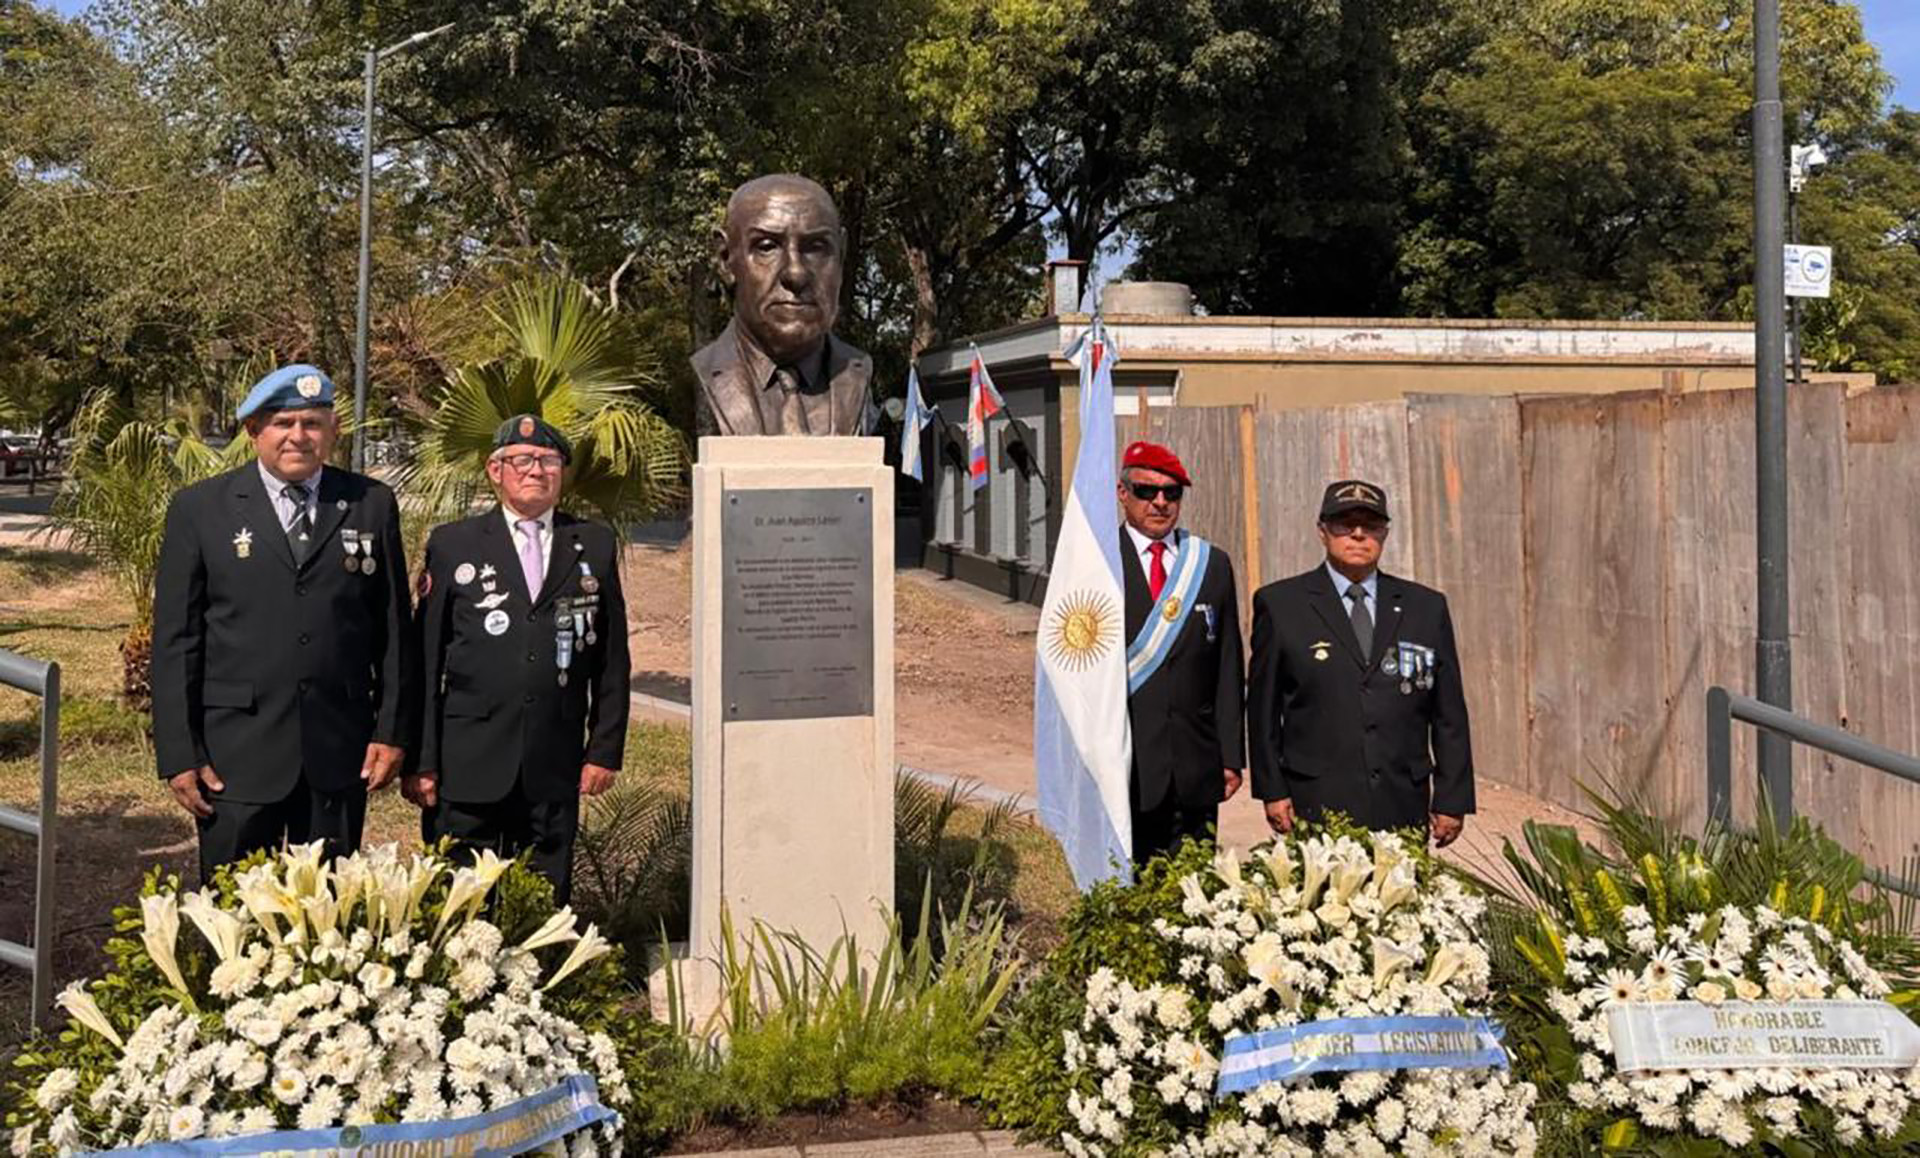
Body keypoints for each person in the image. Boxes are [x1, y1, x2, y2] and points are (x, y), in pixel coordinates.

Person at [151, 364, 414, 881]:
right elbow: (177, 641)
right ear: (254, 432)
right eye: (283, 422)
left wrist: (391, 731)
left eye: (313, 423)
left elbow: (393, 631)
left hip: (338, 749)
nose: (299, 436)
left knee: (328, 923)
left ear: (333, 430)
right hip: (236, 755)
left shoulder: (370, 504)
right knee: (233, 913)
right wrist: (180, 753)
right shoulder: (201, 509)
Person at [405, 414, 630, 902]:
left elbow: (612, 658)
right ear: (495, 470)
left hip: (553, 757)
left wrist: (604, 748)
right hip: (467, 759)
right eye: (521, 460)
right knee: (459, 901)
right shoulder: (454, 544)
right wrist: (421, 760)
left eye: (549, 461)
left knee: (545, 899)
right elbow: (424, 661)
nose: (535, 470)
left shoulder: (592, 543)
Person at [1247, 479, 1474, 846]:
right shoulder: (1281, 605)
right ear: (1323, 531)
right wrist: (1272, 789)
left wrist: (1452, 797)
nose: (1357, 535)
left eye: (1369, 525)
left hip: (1402, 798)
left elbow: (1448, 713)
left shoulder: (1426, 608)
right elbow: (1262, 712)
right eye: (1344, 524)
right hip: (1317, 798)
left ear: (1384, 533)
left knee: (1404, 901)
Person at [1116, 440, 1245, 865]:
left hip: (1195, 765)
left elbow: (1227, 665)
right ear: (1123, 494)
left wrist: (1230, 755)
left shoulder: (1210, 564)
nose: (1159, 503)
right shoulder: (1098, 563)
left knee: (1193, 897)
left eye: (1171, 493)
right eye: (1145, 491)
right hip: (1124, 762)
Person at [691, 174, 877, 437]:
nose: (796, 273)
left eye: (816, 248)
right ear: (725, 259)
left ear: (842, 256)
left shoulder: (858, 373)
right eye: (767, 247)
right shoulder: (704, 371)